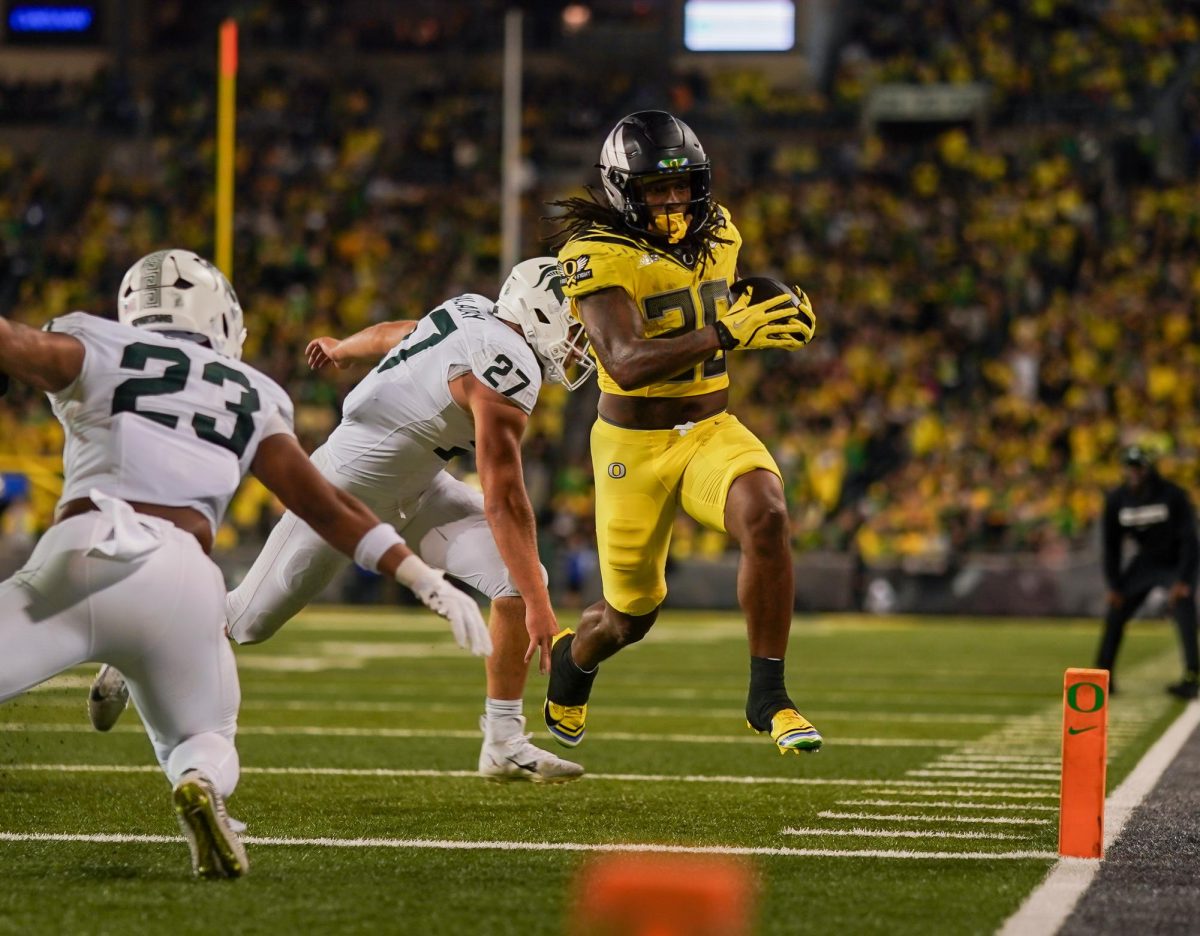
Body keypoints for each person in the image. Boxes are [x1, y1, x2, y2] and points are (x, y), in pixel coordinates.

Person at [0, 249, 490, 879]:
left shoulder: (91, 341)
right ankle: (204, 790)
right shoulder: (254, 392)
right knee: (204, 738)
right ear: (222, 317)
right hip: (183, 580)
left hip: (82, 555)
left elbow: (14, 343)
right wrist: (420, 576)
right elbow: (324, 505)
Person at [90, 258, 593, 782]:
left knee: (518, 574)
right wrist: (542, 608)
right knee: (246, 622)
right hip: (340, 492)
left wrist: (343, 347)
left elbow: (397, 333)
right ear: (538, 309)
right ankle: (137, 636)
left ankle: (504, 742)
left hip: (419, 486)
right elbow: (505, 496)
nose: (581, 338)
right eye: (573, 321)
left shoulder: (472, 311)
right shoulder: (504, 366)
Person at [543, 110, 822, 756]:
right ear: (622, 191)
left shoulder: (719, 229)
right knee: (627, 618)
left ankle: (769, 696)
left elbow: (726, 293)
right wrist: (728, 333)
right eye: (655, 190)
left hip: (710, 428)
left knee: (768, 513)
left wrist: (778, 305)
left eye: (680, 187)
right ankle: (572, 662)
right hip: (631, 449)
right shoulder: (598, 253)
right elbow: (625, 362)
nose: (672, 201)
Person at [1096, 444, 1200, 699]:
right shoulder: (1117, 500)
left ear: (1148, 468)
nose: (1133, 473)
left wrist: (1184, 580)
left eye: (1138, 467)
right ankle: (1101, 676)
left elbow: (1189, 539)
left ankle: (1192, 676)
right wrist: (1114, 584)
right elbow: (1111, 546)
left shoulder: (1172, 494)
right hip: (1144, 562)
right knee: (1116, 611)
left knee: (1184, 610)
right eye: (1129, 467)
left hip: (1175, 561)